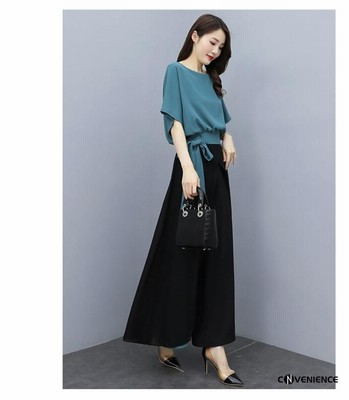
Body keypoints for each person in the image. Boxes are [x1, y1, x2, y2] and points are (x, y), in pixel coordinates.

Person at [123, 14, 243, 387]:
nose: (215, 50)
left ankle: (213, 345)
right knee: (181, 254)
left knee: (217, 256)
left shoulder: (211, 79)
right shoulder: (175, 71)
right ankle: (167, 336)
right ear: (195, 35)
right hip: (193, 168)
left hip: (217, 171)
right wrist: (187, 169)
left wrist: (227, 137)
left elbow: (220, 122)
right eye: (212, 42)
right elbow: (175, 123)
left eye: (221, 47)